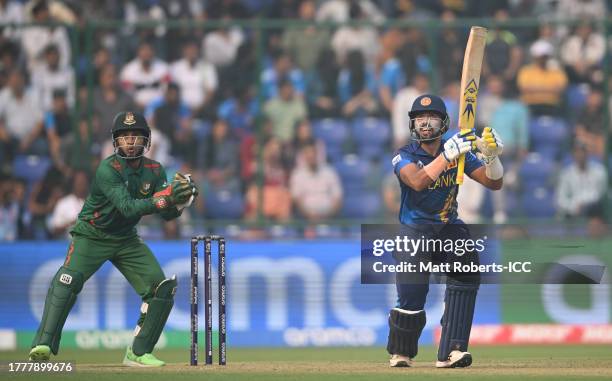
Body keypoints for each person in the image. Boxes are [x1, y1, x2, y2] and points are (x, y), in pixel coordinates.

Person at [28, 111, 199, 367]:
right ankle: (43, 344)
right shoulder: (108, 169)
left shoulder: (155, 170)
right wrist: (166, 197)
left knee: (161, 289)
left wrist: (181, 202)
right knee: (68, 280)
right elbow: (128, 208)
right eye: (125, 137)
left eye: (136, 136)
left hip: (126, 238)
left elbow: (166, 215)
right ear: (115, 141)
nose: (130, 142)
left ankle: (139, 353)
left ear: (147, 140)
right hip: (92, 234)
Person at [388, 95, 504, 368]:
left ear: (443, 122)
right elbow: (416, 182)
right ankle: (401, 352)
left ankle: (453, 350)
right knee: (412, 296)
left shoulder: (459, 151)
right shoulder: (403, 155)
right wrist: (446, 155)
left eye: (431, 118)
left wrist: (492, 158)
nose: (424, 124)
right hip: (414, 231)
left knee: (466, 270)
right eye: (418, 118)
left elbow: (493, 183)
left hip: (447, 227)